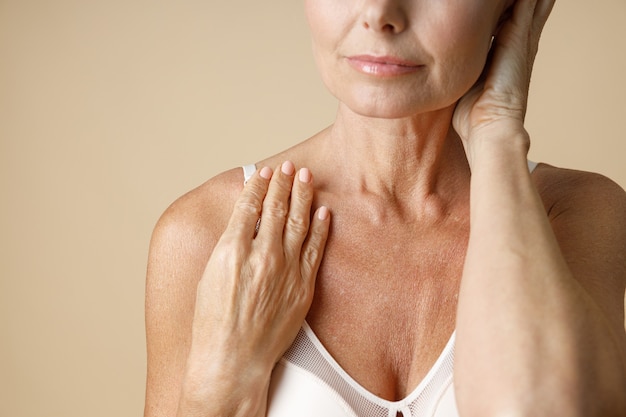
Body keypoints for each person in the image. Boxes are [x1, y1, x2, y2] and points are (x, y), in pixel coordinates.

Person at [143, 0, 626, 416]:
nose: (379, 14)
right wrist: (218, 392)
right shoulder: (209, 235)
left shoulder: (575, 214)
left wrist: (498, 132)